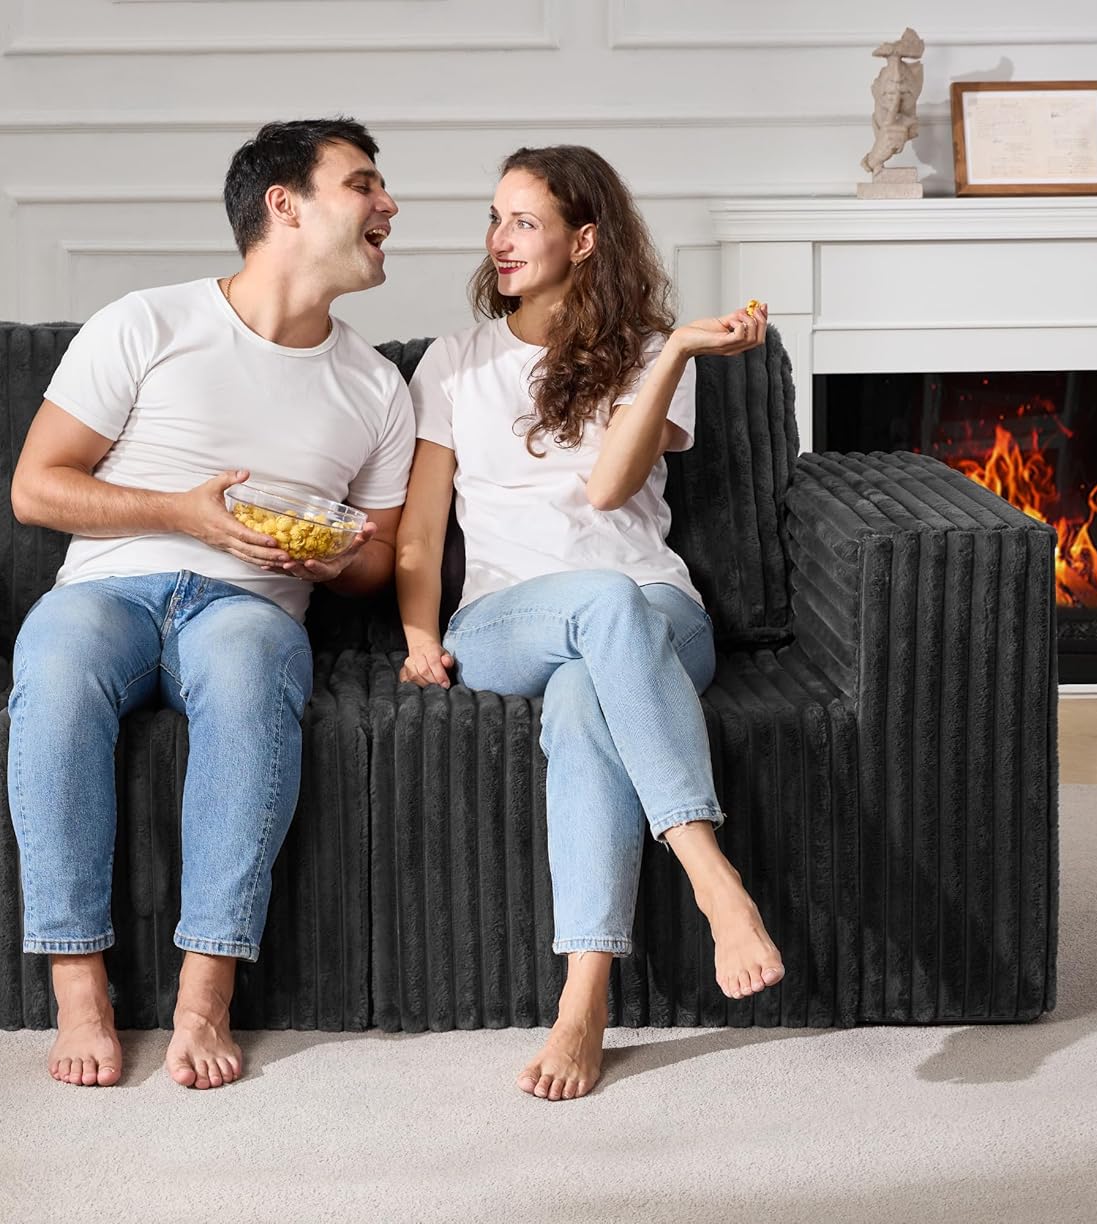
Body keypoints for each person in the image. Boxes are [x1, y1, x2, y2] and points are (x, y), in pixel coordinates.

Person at [8, 118, 412, 1090]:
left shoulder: (375, 387)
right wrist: (179, 513)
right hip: (108, 586)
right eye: (363, 185)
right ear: (286, 204)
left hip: (250, 606)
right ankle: (78, 987)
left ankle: (206, 992)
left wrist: (335, 562)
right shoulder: (147, 322)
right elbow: (36, 487)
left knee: (246, 674)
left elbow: (379, 561)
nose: (389, 205)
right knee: (56, 666)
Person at [395, 145, 785, 1102]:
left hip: (655, 612)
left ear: (584, 239)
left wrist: (677, 350)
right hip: (505, 619)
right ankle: (710, 873)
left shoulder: (652, 354)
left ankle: (584, 1001)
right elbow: (422, 528)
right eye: (496, 219)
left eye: (525, 221)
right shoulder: (454, 362)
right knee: (598, 604)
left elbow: (609, 490)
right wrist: (417, 636)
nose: (500, 239)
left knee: (583, 696)